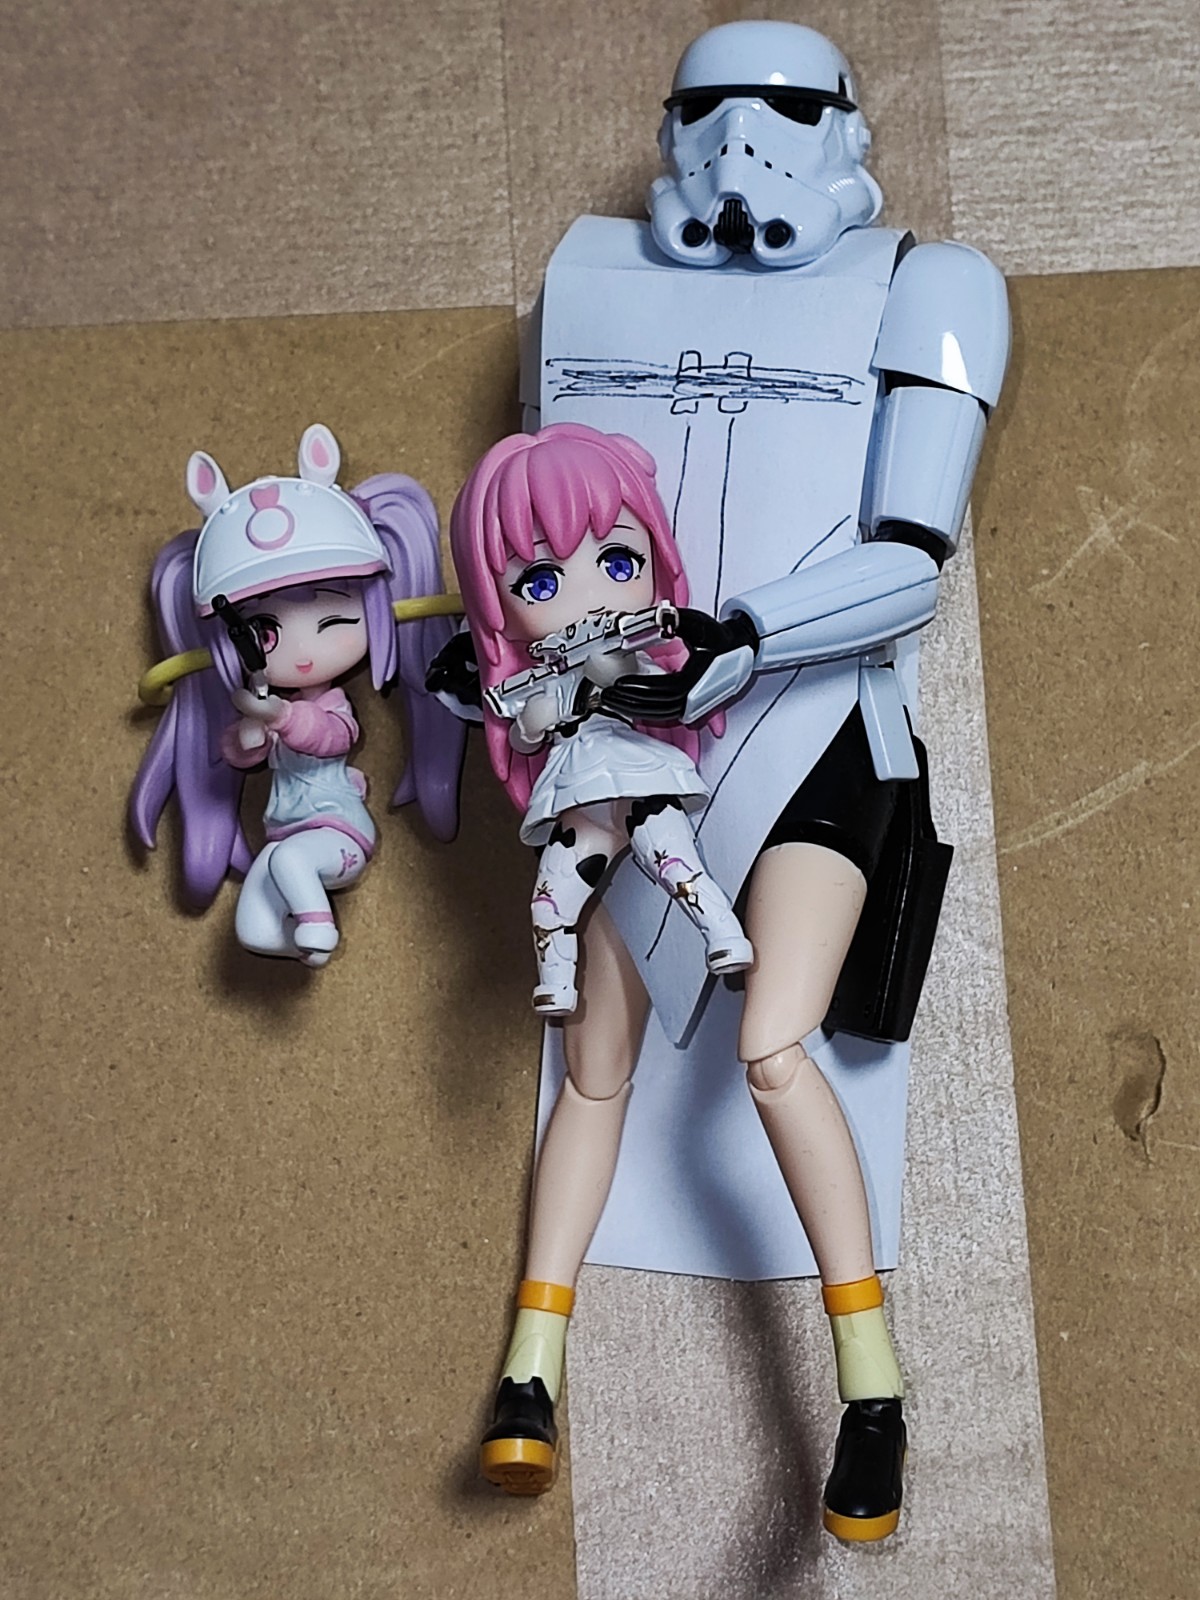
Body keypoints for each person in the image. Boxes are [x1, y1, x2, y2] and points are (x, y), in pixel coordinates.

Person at [131, 424, 465, 964]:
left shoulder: (331, 706)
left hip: (338, 832)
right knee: (253, 925)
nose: (305, 654)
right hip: (288, 837)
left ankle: (318, 928)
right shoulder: (271, 698)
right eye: (267, 632)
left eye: (333, 619)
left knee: (289, 866)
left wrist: (283, 716)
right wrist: (248, 734)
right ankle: (302, 945)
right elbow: (245, 752)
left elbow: (332, 738)